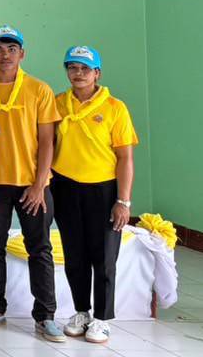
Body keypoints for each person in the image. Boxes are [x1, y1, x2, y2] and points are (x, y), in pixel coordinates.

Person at [0, 26, 63, 340]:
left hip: (31, 185)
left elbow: (47, 141)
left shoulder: (39, 90)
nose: (5, 55)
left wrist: (39, 185)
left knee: (39, 248)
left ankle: (45, 315)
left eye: (12, 49)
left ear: (22, 54)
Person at [52, 46, 138, 346]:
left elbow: (125, 158)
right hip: (65, 187)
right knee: (74, 255)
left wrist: (123, 201)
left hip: (103, 190)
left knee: (103, 256)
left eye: (85, 69)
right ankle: (81, 311)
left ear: (97, 73)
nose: (78, 73)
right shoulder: (58, 103)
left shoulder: (115, 107)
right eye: (72, 67)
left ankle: (102, 318)